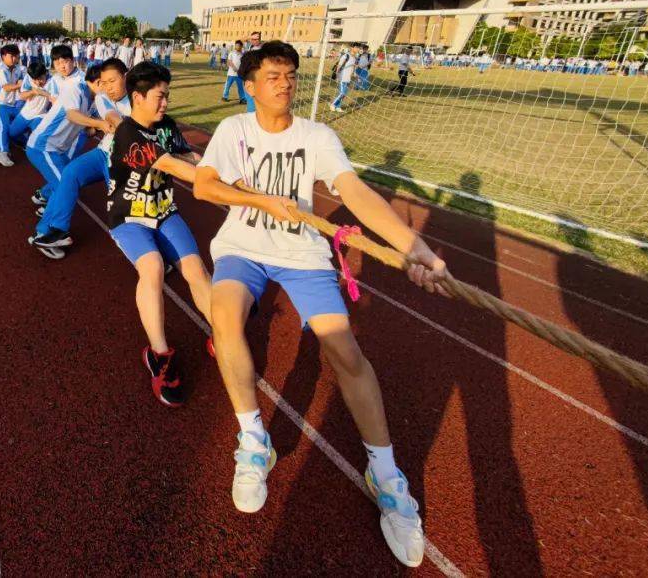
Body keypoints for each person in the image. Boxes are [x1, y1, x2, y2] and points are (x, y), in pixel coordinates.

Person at [193, 41, 446, 567]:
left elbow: (356, 195)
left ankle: (385, 472)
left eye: (290, 75)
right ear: (249, 86)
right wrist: (261, 200)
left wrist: (413, 248)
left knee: (345, 352)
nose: (284, 84)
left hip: (303, 254)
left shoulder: (317, 136)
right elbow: (204, 187)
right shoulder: (233, 132)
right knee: (225, 317)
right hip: (242, 248)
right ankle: (253, 438)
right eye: (271, 76)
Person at [105, 61, 212, 406]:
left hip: (164, 211)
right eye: (160, 96)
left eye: (167, 95)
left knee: (196, 270)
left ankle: (223, 335)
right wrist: (227, 187)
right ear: (137, 97)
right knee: (151, 267)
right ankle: (159, 355)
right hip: (129, 216)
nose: (165, 102)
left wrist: (219, 166)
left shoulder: (166, 126)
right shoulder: (128, 133)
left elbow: (188, 155)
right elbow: (174, 166)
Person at [29, 58, 130, 257]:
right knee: (66, 178)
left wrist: (95, 127)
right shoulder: (85, 93)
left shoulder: (115, 99)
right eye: (105, 82)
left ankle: (151, 256)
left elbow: (97, 123)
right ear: (98, 82)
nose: (108, 87)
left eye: (113, 81)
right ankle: (49, 230)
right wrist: (101, 124)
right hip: (50, 147)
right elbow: (75, 115)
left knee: (123, 208)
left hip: (116, 159)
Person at [25, 44, 112, 208]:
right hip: (50, 139)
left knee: (67, 176)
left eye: (65, 61)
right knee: (65, 183)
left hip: (67, 135)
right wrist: (98, 124)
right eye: (57, 63)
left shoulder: (82, 83)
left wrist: (96, 127)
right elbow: (71, 113)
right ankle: (50, 219)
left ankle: (44, 196)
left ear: (73, 61)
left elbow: (86, 120)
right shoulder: (67, 83)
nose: (61, 66)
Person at [0, 44, 25, 167]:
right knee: (4, 126)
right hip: (1, 103)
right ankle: (3, 153)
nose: (14, 59)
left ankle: (3, 137)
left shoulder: (19, 69)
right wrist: (19, 85)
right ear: (3, 56)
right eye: (11, 56)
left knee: (23, 124)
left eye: (16, 56)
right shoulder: (1, 70)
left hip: (14, 103)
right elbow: (6, 87)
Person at [330, 45, 355, 112]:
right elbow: (339, 65)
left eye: (359, 48)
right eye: (357, 48)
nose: (358, 49)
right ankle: (333, 104)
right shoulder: (346, 56)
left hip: (348, 78)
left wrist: (353, 75)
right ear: (352, 48)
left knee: (344, 93)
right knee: (342, 93)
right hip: (342, 77)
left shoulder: (354, 58)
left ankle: (338, 107)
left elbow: (352, 68)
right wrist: (337, 75)